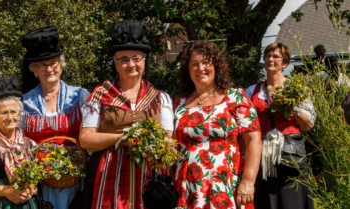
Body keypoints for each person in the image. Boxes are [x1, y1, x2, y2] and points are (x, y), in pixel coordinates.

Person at [79, 20, 174, 209]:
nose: (131, 64)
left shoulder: (160, 98)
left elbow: (168, 141)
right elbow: (86, 139)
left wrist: (153, 145)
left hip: (149, 179)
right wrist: (123, 137)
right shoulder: (99, 95)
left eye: (136, 58)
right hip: (110, 174)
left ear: (144, 61)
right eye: (124, 59)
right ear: (115, 63)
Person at [173, 41, 262, 209]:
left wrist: (248, 180)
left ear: (216, 66)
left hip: (225, 184)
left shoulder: (235, 97)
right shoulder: (180, 103)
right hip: (187, 186)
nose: (200, 68)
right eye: (194, 64)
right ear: (188, 70)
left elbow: (253, 140)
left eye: (206, 62)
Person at [20, 26, 90, 209]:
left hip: (75, 182)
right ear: (34, 69)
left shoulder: (80, 97)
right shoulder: (24, 103)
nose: (49, 69)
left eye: (53, 63)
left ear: (61, 64)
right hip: (38, 183)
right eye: (43, 65)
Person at [246, 42, 316, 209]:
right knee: (266, 201)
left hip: (291, 157)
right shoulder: (251, 91)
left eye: (276, 56)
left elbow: (308, 125)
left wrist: (293, 108)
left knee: (292, 202)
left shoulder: (297, 89)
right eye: (268, 56)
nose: (271, 59)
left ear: (284, 63)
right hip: (263, 157)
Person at [0, 76, 38, 209]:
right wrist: (5, 191)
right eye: (4, 113)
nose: (10, 118)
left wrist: (31, 188)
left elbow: (37, 179)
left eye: (13, 112)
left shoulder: (30, 144)